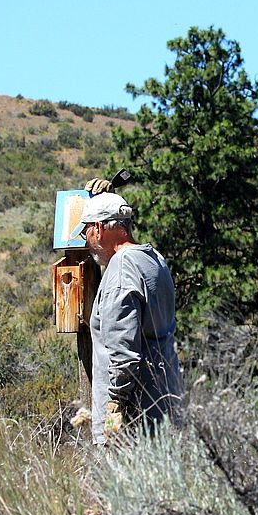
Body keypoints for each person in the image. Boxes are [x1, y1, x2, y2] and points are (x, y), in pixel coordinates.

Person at [80, 182, 184, 445]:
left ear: (99, 229)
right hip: (165, 402)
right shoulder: (153, 258)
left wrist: (115, 406)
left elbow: (123, 354)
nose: (87, 242)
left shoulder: (122, 269)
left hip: (134, 418)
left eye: (86, 233)